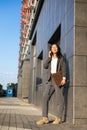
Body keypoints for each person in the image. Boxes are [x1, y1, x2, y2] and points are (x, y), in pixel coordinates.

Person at [36, 43, 66, 125]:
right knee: (45, 97)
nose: (54, 48)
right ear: (51, 49)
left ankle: (59, 118)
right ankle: (45, 118)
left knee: (59, 99)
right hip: (50, 79)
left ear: (58, 48)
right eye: (53, 47)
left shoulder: (61, 58)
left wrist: (64, 78)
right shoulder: (50, 58)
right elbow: (45, 66)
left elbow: (64, 68)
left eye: (56, 47)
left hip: (58, 77)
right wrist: (49, 57)